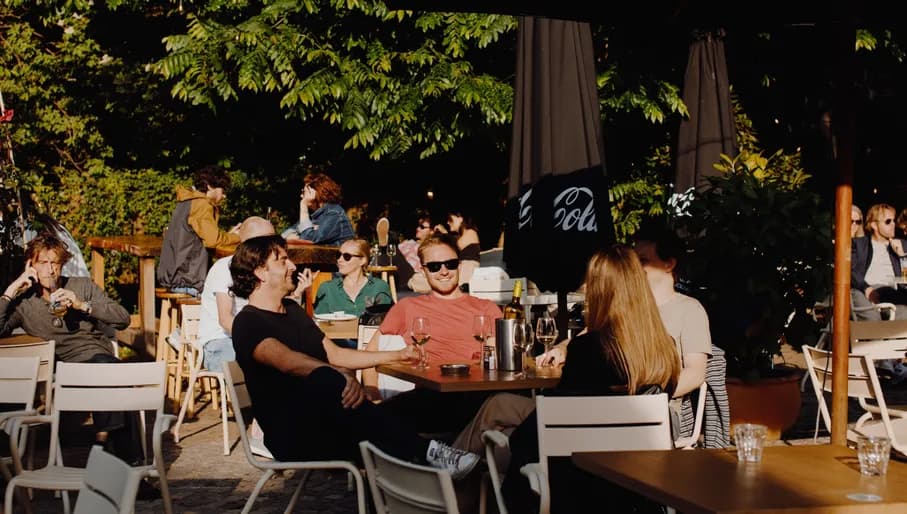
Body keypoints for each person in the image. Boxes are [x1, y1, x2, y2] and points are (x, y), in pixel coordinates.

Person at [228, 235, 479, 478]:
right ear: (260, 272)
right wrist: (340, 375)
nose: (293, 266)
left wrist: (397, 355)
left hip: (331, 420)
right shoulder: (248, 322)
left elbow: (336, 354)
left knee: (405, 408)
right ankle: (430, 456)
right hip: (295, 434)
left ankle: (431, 466)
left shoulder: (292, 310)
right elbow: (288, 362)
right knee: (337, 387)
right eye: (283, 261)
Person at [499, 245, 679, 513]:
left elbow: (561, 415)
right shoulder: (664, 348)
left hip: (581, 487)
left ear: (598, 291)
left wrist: (513, 439)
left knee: (507, 443)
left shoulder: (589, 350)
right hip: (641, 487)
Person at [0, 232, 144, 465]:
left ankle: (123, 457)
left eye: (55, 263)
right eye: (43, 263)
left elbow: (123, 318)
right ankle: (119, 456)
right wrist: (11, 290)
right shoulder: (25, 302)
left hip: (94, 356)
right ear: (31, 265)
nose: (50, 270)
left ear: (62, 264)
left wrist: (81, 305)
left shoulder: (81, 286)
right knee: (113, 377)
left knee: (110, 370)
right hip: (58, 367)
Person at [361, 234, 502, 433]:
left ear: (459, 265)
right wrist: (372, 394)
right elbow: (370, 354)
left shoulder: (486, 308)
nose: (444, 271)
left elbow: (499, 358)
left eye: (450, 264)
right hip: (430, 395)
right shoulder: (408, 307)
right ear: (423, 270)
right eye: (435, 266)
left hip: (475, 395)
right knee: (363, 420)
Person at [158, 165, 241, 296]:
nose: (224, 196)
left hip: (173, 277)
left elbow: (198, 239)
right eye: (222, 190)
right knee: (232, 295)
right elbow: (213, 241)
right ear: (210, 186)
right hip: (187, 281)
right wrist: (240, 237)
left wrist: (229, 235)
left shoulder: (187, 201)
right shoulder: (201, 205)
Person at [314, 238, 392, 348]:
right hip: (337, 347)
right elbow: (320, 325)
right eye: (338, 255)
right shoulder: (327, 288)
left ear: (362, 260)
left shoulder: (378, 287)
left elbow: (385, 323)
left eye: (347, 257)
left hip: (370, 346)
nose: (340, 260)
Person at [851, 202, 907, 320]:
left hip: (894, 292)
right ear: (874, 225)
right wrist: (866, 288)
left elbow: (905, 279)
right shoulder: (860, 245)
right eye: (888, 221)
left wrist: (902, 256)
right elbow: (851, 271)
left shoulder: (902, 244)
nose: (893, 224)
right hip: (868, 290)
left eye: (893, 220)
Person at [281, 173, 354, 246]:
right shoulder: (314, 217)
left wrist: (303, 205)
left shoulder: (334, 213)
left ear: (314, 193)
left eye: (304, 192)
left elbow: (308, 240)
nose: (301, 195)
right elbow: (283, 236)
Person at [435, 210, 481, 288]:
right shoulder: (461, 235)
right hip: (462, 267)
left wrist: (445, 233)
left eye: (450, 219)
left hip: (468, 268)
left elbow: (458, 245)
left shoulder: (471, 232)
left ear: (460, 219)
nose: (448, 223)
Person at [398, 213, 434, 293]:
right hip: (406, 278)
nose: (418, 229)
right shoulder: (408, 244)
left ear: (432, 231)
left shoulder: (434, 247)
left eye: (422, 227)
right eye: (418, 226)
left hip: (419, 278)